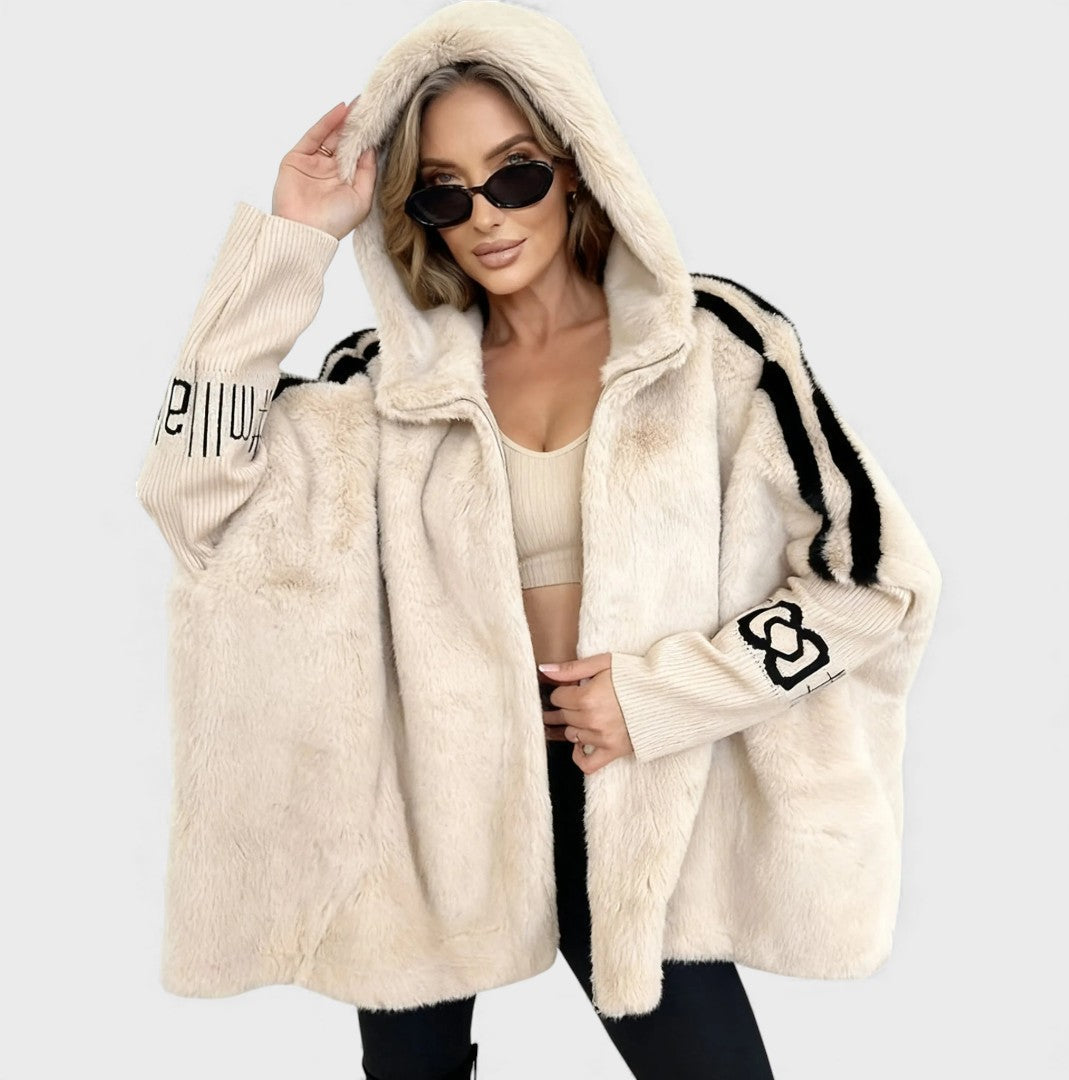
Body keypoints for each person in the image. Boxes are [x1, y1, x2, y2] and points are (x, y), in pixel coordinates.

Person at [136, 3, 942, 1078]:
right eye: (444, 191)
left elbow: (875, 583)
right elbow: (193, 496)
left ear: (575, 167)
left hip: (632, 788)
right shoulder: (379, 384)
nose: (486, 217)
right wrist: (292, 244)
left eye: (514, 175)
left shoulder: (711, 345)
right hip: (431, 806)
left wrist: (661, 698)